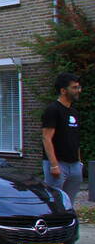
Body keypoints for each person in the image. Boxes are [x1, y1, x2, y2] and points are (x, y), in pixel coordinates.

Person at [41, 73, 83, 204]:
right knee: (55, 202)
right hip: (58, 164)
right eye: (74, 88)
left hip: (74, 165)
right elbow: (46, 138)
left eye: (79, 87)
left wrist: (79, 162)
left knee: (69, 203)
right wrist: (54, 165)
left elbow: (75, 138)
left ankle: (68, 224)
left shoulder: (74, 112)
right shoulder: (52, 110)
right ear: (63, 90)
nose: (78, 90)